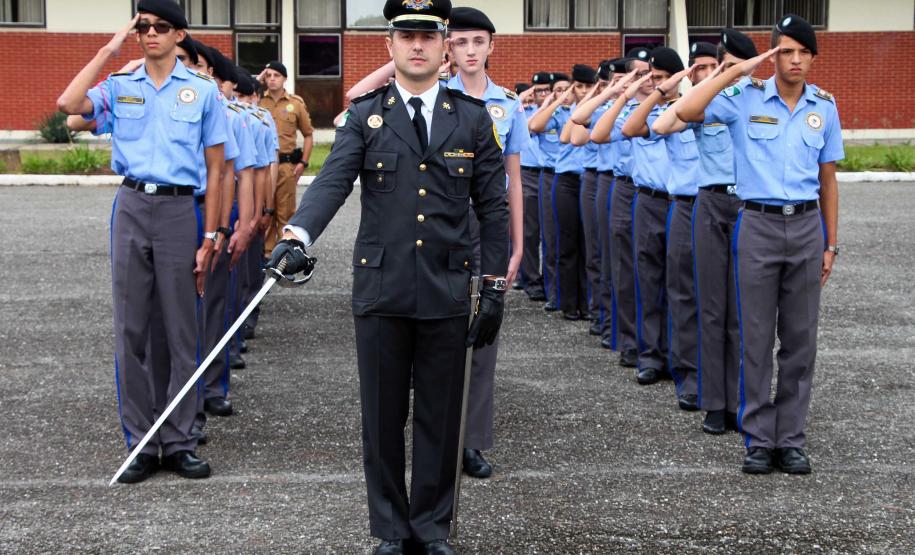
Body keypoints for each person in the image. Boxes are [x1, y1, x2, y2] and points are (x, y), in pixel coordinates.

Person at [266, 1, 509, 552]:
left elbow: (493, 208)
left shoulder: (471, 118)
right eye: (406, 37)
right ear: (390, 47)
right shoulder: (364, 116)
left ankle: (430, 528)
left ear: (444, 45)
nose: (417, 46)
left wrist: (494, 286)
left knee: (440, 419)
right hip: (380, 291)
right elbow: (331, 183)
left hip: (448, 287)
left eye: (428, 36)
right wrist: (296, 236)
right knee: (381, 419)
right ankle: (391, 532)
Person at [57, 0, 228, 483]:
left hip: (179, 209)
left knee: (180, 329)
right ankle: (142, 441)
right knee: (131, 329)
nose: (150, 34)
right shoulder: (120, 86)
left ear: (179, 35)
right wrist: (110, 48)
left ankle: (179, 441)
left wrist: (212, 232)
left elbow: (217, 169)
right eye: (143, 28)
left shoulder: (202, 92)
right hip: (132, 205)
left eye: (161, 28)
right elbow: (68, 106)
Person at [676, 14, 843, 474]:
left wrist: (832, 244)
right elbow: (688, 110)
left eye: (801, 52)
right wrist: (734, 71)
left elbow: (829, 182)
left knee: (800, 340)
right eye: (784, 51)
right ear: (772, 55)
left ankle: (790, 438)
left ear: (812, 58)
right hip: (757, 226)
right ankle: (757, 438)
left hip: (807, 228)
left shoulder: (823, 107)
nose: (793, 60)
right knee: (754, 337)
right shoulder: (743, 98)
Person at [652, 28, 759, 433]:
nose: (726, 72)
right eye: (719, 66)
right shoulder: (706, 101)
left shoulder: (761, 99)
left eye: (731, 66)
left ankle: (745, 398)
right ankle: (717, 401)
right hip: (712, 205)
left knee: (747, 313)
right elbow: (663, 125)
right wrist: (708, 81)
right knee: (712, 307)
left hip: (751, 207)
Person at [446, 6, 530, 480]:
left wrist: (516, 246)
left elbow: (513, 181)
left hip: (489, 225)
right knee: (438, 332)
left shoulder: (507, 105)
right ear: (448, 48)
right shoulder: (436, 94)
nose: (470, 51)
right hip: (442, 223)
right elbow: (356, 96)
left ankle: (472, 441)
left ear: (492, 46)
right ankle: (440, 435)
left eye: (478, 41)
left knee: (483, 336)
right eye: (460, 42)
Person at [591, 48, 653, 368]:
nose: (646, 80)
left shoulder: (669, 104)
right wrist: (619, 95)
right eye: (638, 74)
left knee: (656, 274)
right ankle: (630, 340)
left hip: (660, 196)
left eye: (649, 73)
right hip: (627, 189)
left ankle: (658, 344)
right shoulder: (621, 109)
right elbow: (594, 132)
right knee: (625, 269)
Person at [570, 60, 635, 350]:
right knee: (603, 257)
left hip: (644, 188)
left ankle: (629, 330)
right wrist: (608, 93)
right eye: (620, 79)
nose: (629, 82)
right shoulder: (605, 108)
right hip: (607, 181)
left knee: (632, 264)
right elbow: (573, 135)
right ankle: (606, 320)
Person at [258, 60, 314, 256]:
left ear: (285, 79)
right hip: (263, 166)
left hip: (286, 166)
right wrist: (258, 81)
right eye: (268, 75)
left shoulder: (295, 104)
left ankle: (283, 253)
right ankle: (265, 252)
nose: (272, 79)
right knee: (264, 209)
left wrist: (303, 162)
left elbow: (308, 134)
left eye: (277, 75)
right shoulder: (257, 100)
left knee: (285, 211)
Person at [528, 71, 570, 313]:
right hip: (550, 177)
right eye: (559, 89)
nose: (565, 94)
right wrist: (551, 101)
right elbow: (533, 126)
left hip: (574, 179)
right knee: (550, 237)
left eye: (568, 88)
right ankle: (553, 292)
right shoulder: (550, 115)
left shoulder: (577, 112)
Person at [517, 72, 551, 302]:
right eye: (539, 90)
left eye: (547, 90)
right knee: (530, 231)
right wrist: (523, 97)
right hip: (528, 175)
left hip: (549, 175)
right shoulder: (524, 113)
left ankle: (549, 279)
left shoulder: (555, 114)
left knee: (550, 231)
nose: (544, 95)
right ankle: (530, 278)